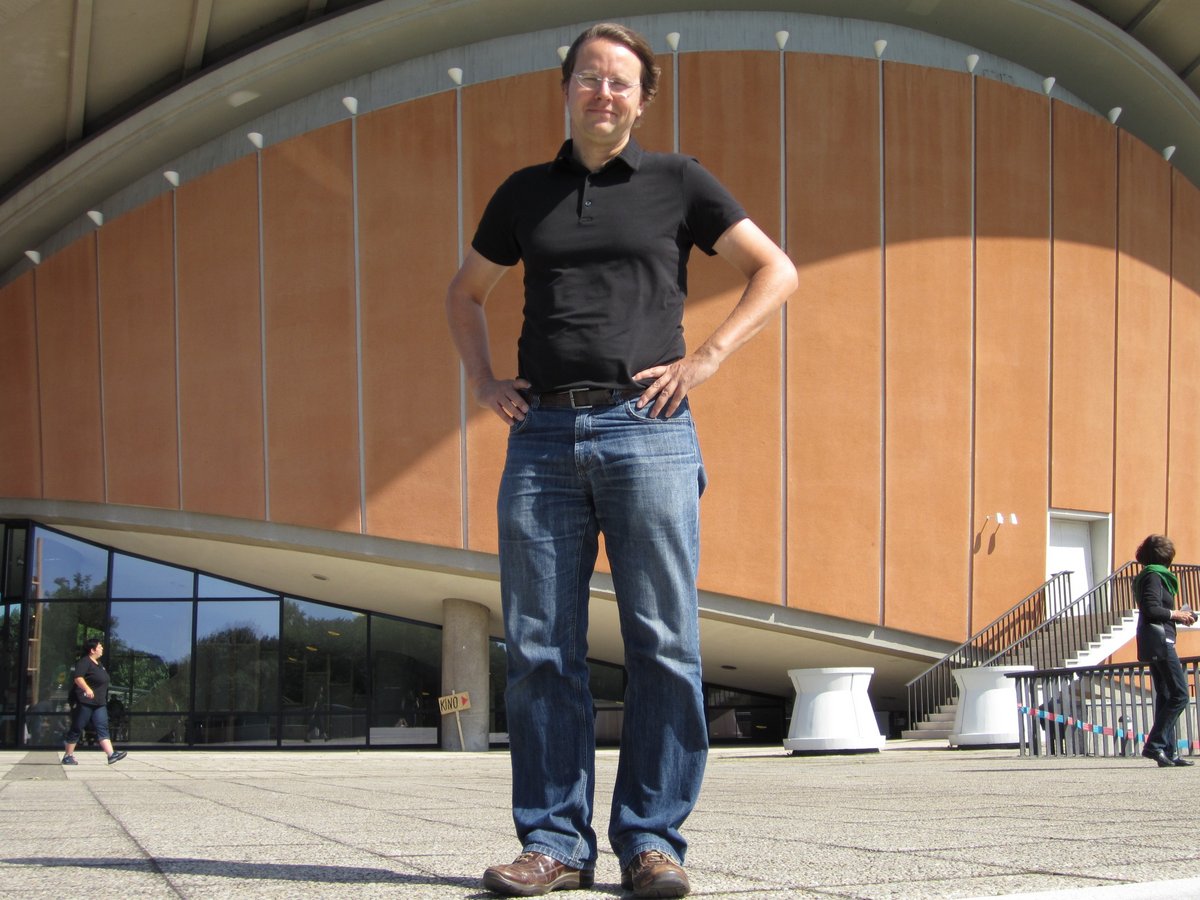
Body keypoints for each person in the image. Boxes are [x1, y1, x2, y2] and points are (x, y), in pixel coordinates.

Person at [445, 22, 797, 898]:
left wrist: (706, 359)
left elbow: (776, 270)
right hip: (543, 440)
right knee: (539, 648)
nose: (605, 93)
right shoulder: (525, 193)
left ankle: (652, 842)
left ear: (644, 98)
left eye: (622, 82)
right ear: (564, 88)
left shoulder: (679, 181)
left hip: (649, 430)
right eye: (590, 78)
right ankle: (555, 845)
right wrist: (486, 379)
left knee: (665, 644)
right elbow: (465, 291)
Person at [1133, 534, 1196, 768]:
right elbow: (1151, 608)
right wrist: (1176, 614)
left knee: (1166, 695)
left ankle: (1167, 752)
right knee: (1180, 694)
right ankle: (1155, 745)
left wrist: (1178, 616)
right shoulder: (1154, 576)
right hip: (1161, 642)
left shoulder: (1152, 575)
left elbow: (1156, 609)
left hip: (1157, 639)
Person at [62, 638, 127, 766]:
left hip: (99, 703)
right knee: (77, 728)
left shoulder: (99, 664)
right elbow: (78, 678)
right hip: (85, 702)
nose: (102, 648)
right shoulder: (84, 662)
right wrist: (87, 689)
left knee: (102, 727)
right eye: (99, 647)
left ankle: (111, 754)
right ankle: (68, 756)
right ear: (92, 650)